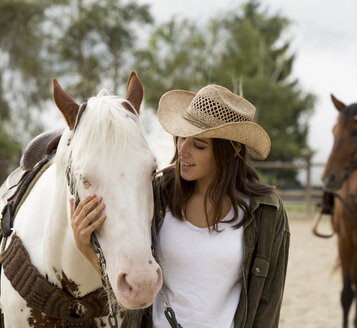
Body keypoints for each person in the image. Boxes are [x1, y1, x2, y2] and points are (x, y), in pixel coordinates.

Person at [70, 84, 290, 327]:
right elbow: (132, 285)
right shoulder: (159, 194)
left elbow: (268, 304)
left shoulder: (267, 213)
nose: (182, 150)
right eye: (181, 137)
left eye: (199, 145)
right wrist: (85, 247)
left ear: (233, 150)